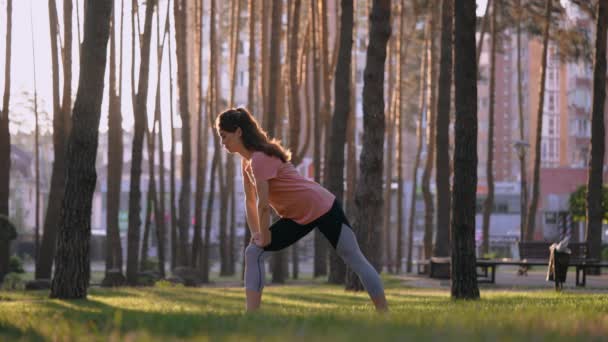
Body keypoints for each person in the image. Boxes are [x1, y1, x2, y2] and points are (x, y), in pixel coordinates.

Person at [215, 107, 388, 312]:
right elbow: (250, 201)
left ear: (238, 132)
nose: (222, 143)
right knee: (254, 252)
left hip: (322, 207)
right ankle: (251, 315)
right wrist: (257, 233)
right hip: (297, 217)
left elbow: (262, 204)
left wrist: (266, 236)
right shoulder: (247, 164)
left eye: (224, 136)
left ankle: (385, 314)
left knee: (354, 257)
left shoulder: (260, 158)